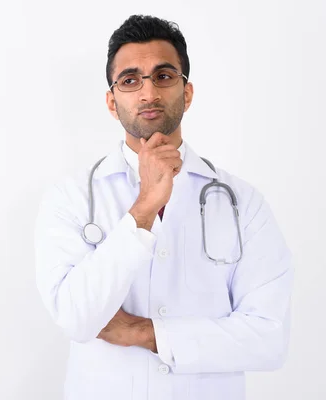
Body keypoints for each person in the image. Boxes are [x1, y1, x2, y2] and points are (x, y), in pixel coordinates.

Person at [34, 15, 294, 400]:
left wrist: (146, 333)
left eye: (164, 76)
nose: (148, 93)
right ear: (112, 101)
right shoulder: (70, 198)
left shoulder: (243, 203)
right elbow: (76, 317)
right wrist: (145, 207)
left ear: (186, 93)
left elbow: (269, 338)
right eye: (130, 80)